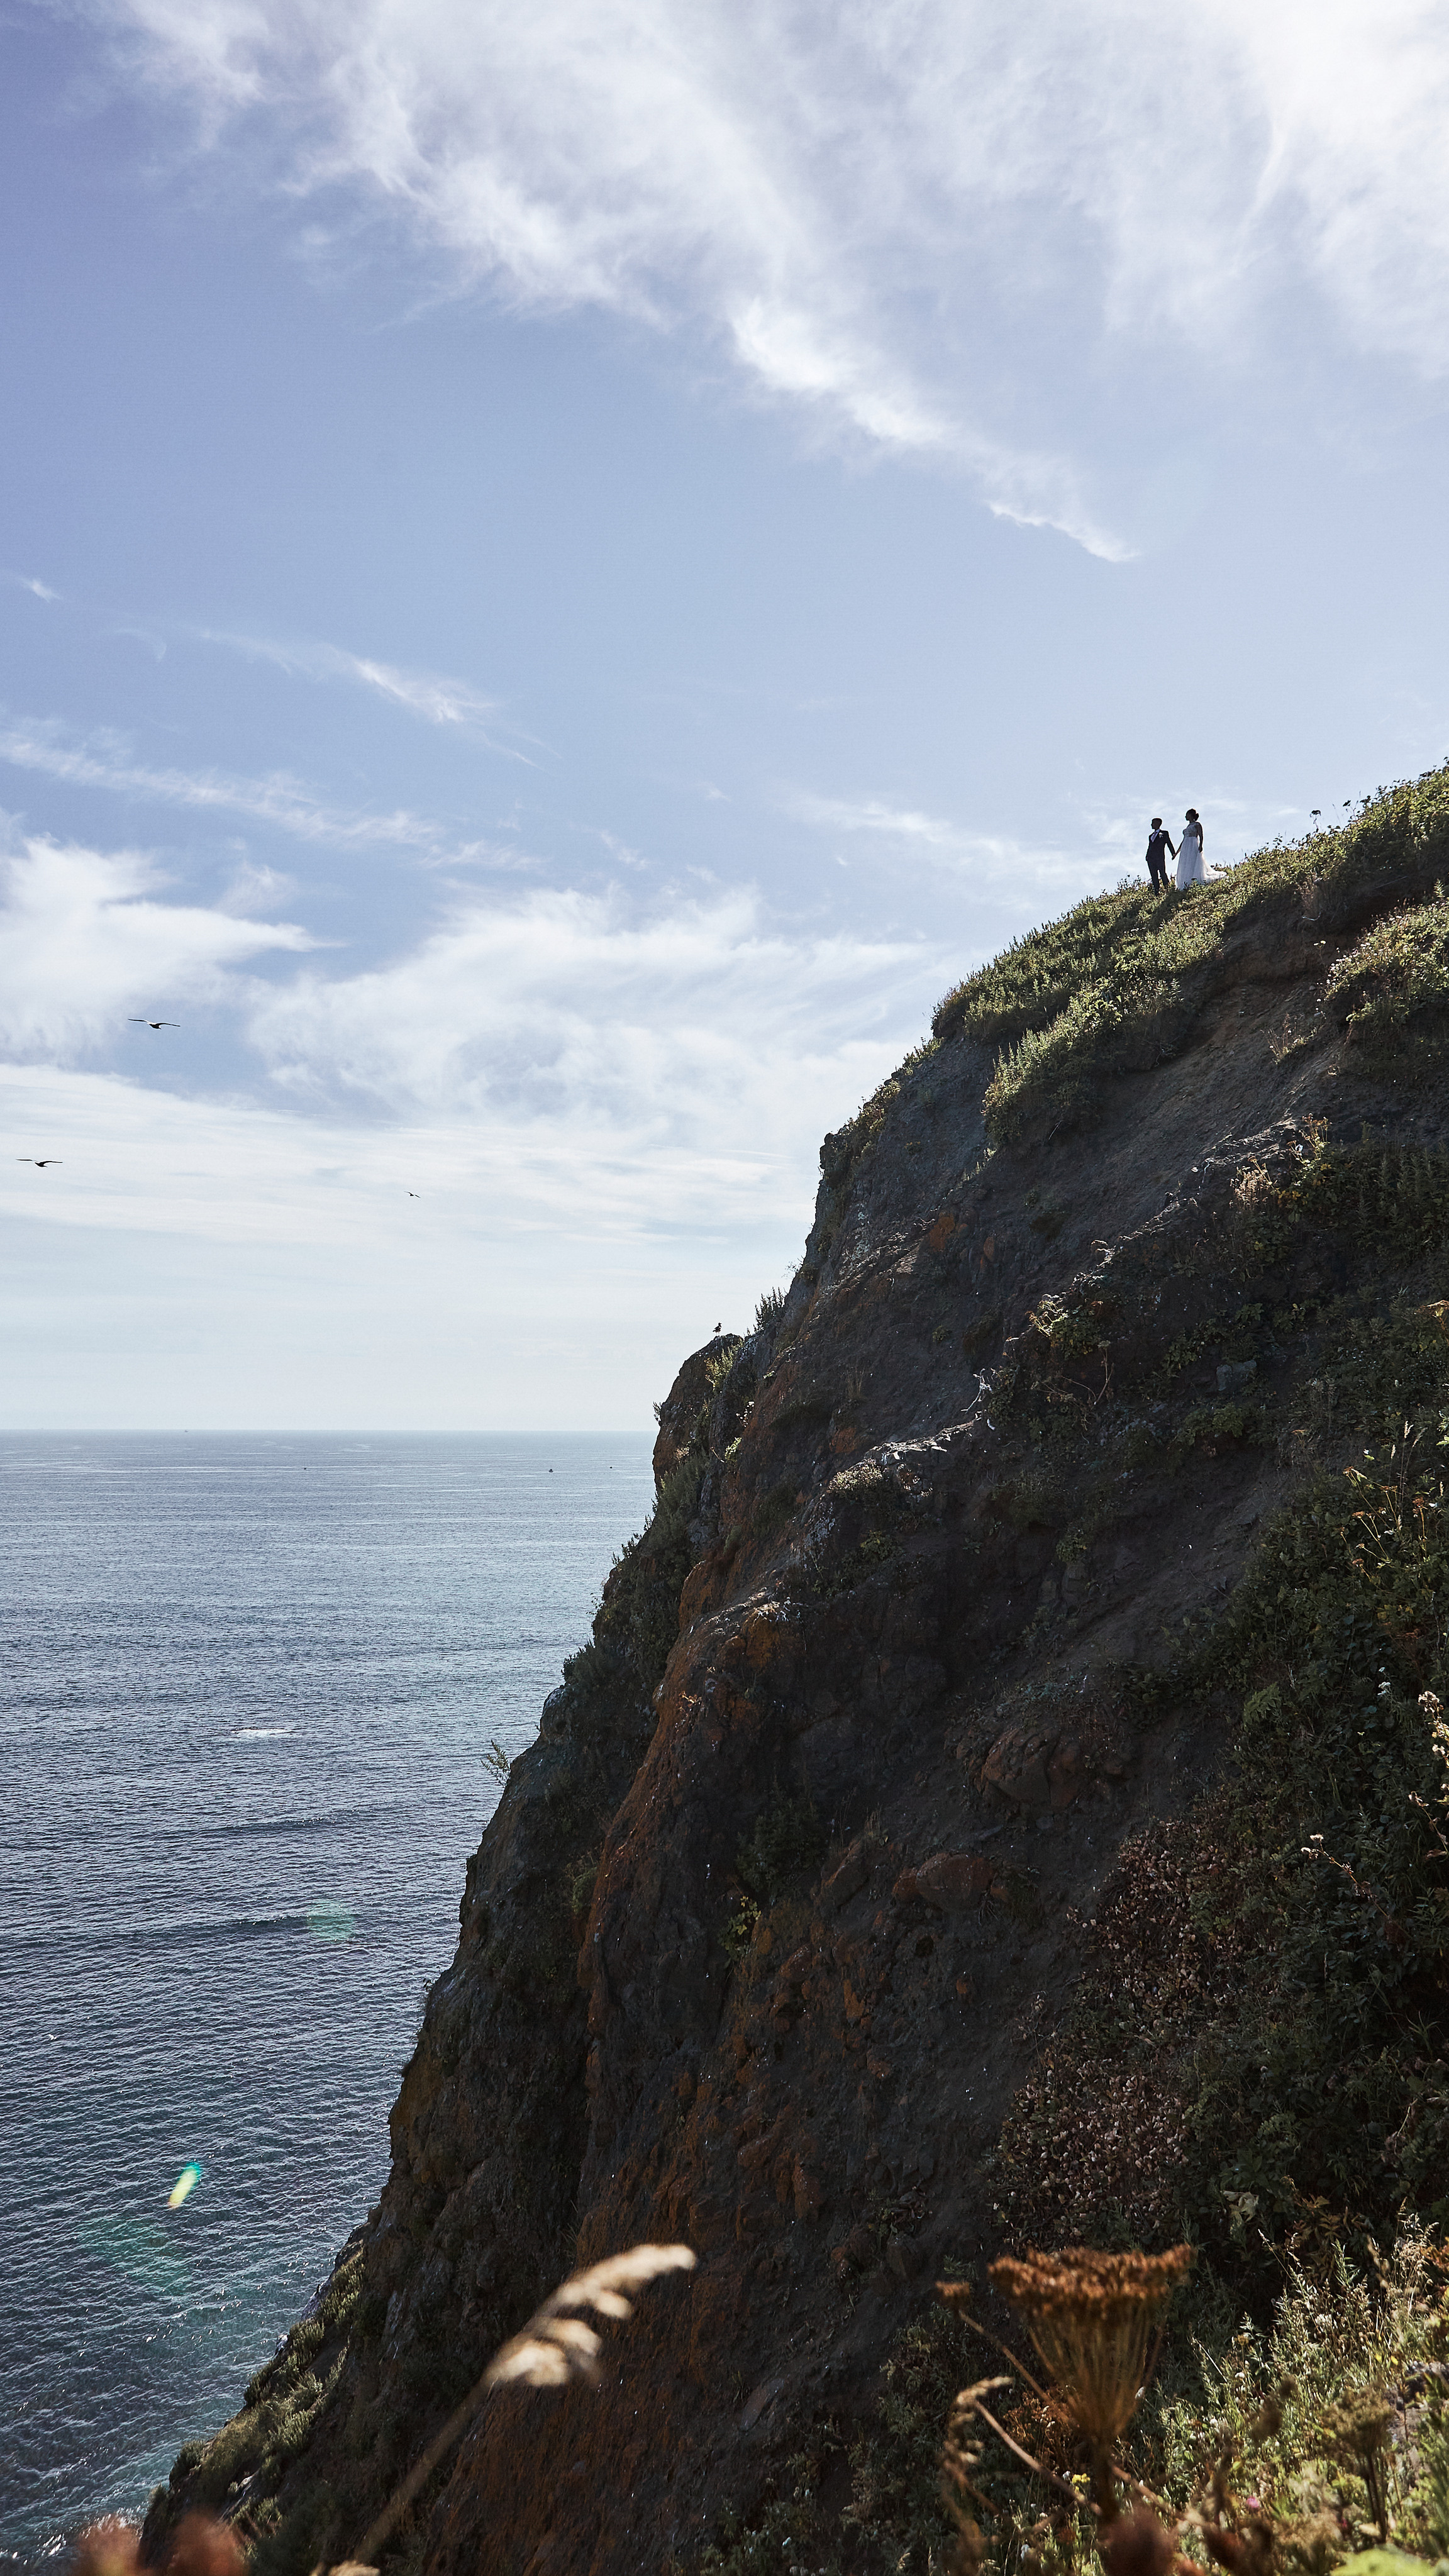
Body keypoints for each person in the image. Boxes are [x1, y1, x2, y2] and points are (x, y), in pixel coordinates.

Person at [1175, 806, 1206, 889]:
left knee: (1192, 860)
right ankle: (1186, 881)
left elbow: (1201, 835)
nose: (1185, 817)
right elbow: (1183, 841)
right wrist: (1176, 853)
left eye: (1187, 815)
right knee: (1186, 862)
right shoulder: (1188, 827)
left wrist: (1201, 845)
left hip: (1193, 844)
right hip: (1186, 846)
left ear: (1190, 815)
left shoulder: (1197, 825)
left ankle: (1194, 879)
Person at [1144, 815, 1175, 894]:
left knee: (1162, 872)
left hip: (1160, 857)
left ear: (1158, 824)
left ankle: (1168, 888)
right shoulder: (1151, 836)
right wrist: (1147, 856)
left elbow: (1169, 843)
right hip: (1151, 858)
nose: (1152, 825)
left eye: (1153, 823)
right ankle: (1157, 891)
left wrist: (1173, 853)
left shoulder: (1164, 833)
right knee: (1154, 875)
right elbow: (1150, 846)